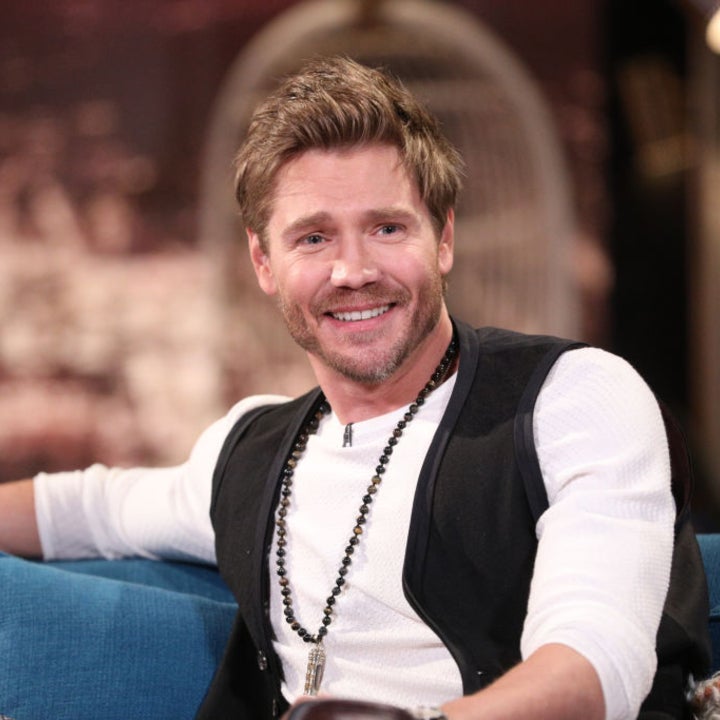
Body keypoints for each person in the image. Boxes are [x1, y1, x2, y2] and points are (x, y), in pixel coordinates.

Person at [0, 56, 709, 720]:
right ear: (264, 261)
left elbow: (594, 670)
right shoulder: (247, 452)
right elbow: (85, 510)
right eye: (313, 238)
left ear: (444, 239)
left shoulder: (574, 398)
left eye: (387, 228)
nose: (354, 271)